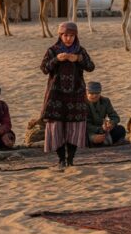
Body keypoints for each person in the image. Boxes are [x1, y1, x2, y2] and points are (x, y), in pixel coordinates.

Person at [41, 21, 95, 170]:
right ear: (60, 35)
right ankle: (61, 160)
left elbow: (91, 67)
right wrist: (56, 60)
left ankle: (70, 159)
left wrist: (78, 59)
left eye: (71, 35)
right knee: (57, 127)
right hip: (56, 95)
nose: (68, 38)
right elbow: (44, 68)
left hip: (76, 94)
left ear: (76, 36)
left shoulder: (80, 51)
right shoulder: (52, 50)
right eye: (65, 35)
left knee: (74, 127)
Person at [85, 81, 126, 146]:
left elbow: (115, 117)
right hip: (89, 132)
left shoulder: (105, 101)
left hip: (104, 130)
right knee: (88, 138)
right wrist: (96, 133)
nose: (95, 95)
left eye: (97, 93)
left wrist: (111, 123)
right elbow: (85, 125)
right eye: (92, 93)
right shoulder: (81, 104)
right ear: (86, 93)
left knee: (121, 129)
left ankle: (107, 142)